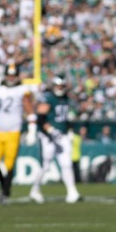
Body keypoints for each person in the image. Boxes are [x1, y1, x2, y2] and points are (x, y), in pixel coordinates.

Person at [28, 75, 82, 204]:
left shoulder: (65, 98)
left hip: (62, 135)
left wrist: (68, 130)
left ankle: (72, 191)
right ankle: (35, 190)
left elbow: (66, 118)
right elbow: (40, 118)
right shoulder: (48, 98)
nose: (60, 88)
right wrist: (51, 130)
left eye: (62, 86)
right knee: (45, 166)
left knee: (66, 164)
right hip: (48, 136)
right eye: (58, 86)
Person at [0, 62, 33, 204]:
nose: (11, 78)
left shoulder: (22, 89)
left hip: (13, 131)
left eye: (13, 75)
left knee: (9, 165)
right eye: (9, 75)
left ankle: (5, 193)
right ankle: (4, 186)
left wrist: (32, 129)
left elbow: (29, 108)